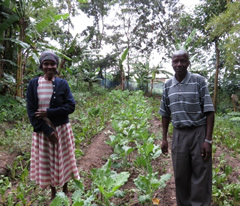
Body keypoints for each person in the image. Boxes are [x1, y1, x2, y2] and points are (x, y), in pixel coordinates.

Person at [159, 50, 215, 206]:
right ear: (171, 64)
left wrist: (207, 140)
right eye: (176, 61)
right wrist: (164, 138)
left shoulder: (198, 81)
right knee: (180, 175)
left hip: (198, 132)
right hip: (178, 134)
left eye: (183, 61)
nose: (179, 64)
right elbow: (165, 113)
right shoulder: (168, 85)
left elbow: (209, 111)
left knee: (201, 174)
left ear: (188, 63)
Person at [26, 51, 80, 201]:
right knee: (48, 162)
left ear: (56, 66)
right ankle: (53, 191)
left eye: (52, 64)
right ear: (42, 66)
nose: (49, 67)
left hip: (62, 129)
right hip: (43, 132)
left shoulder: (62, 84)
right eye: (46, 64)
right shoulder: (33, 84)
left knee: (65, 158)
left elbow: (70, 106)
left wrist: (48, 112)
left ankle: (65, 188)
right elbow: (31, 112)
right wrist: (48, 130)